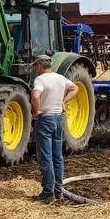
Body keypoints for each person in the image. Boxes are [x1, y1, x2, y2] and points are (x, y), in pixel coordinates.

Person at [30, 55, 78, 203]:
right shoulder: (60, 78)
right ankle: (58, 191)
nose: (35, 68)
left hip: (45, 120)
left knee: (46, 156)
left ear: (39, 66)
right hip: (58, 119)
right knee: (58, 157)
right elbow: (75, 88)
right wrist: (63, 102)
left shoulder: (40, 80)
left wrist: (35, 111)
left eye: (35, 66)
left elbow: (36, 96)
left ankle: (48, 192)